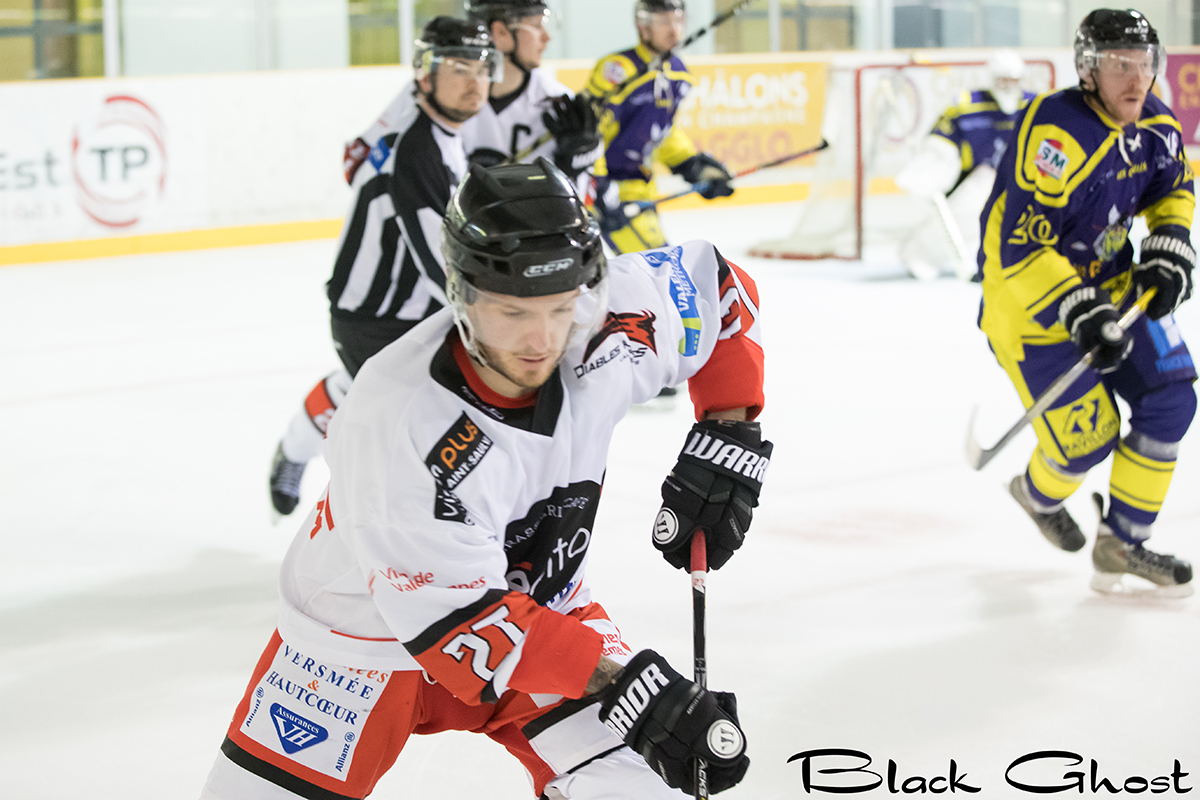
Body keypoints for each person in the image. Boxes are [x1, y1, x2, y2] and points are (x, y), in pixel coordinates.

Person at [201, 159, 769, 799]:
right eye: (511, 311)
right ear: (461, 292)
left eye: (561, 307)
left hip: (544, 615)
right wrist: (634, 691)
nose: (542, 339)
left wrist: (728, 436)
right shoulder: (397, 423)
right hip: (359, 644)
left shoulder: (610, 317)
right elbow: (468, 629)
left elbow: (718, 287)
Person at [978, 9, 1196, 596]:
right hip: (1032, 310)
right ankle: (1036, 493)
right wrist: (1076, 304)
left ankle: (1122, 544)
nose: (1137, 78)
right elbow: (1021, 245)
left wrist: (1170, 239)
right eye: (1120, 65)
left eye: (1145, 64)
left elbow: (1173, 186)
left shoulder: (1156, 123)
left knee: (1173, 398)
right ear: (1088, 70)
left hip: (1114, 287)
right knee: (1086, 441)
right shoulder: (1055, 134)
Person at [268, 18, 500, 516]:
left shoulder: (438, 131)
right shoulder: (416, 150)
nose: (476, 81)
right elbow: (442, 266)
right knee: (409, 430)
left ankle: (295, 448)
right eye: (460, 68)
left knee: (361, 392)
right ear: (425, 75)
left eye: (483, 68)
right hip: (372, 317)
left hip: (415, 309)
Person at [344, 1, 603, 185]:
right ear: (500, 32)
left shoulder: (560, 104)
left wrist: (573, 168)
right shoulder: (432, 91)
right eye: (535, 25)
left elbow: (584, 201)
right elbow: (356, 164)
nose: (546, 37)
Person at [586, 0, 735, 254]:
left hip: (641, 189)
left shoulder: (678, 73)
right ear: (643, 26)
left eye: (678, 20)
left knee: (654, 267)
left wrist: (691, 164)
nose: (674, 30)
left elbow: (659, 131)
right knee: (660, 266)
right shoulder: (619, 70)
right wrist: (598, 186)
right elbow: (588, 132)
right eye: (664, 22)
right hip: (606, 188)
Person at [895, 49, 1037, 280]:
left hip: (1022, 180)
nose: (1009, 86)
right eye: (1003, 80)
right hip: (976, 179)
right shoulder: (966, 104)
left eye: (1013, 80)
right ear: (992, 78)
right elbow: (940, 141)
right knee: (980, 196)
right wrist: (929, 167)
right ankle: (919, 255)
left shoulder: (1035, 105)